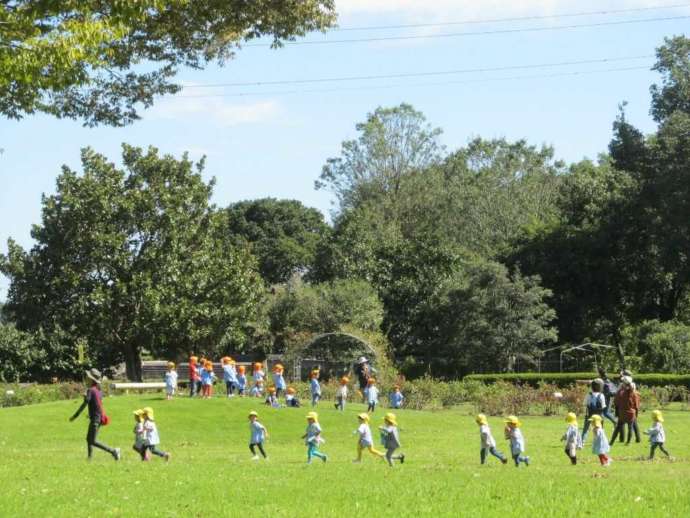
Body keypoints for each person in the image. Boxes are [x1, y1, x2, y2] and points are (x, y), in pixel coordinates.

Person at [69, 368, 121, 461]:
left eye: (87, 377)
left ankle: (113, 451)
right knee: (89, 439)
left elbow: (84, 405)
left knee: (92, 440)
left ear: (91, 379)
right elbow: (96, 404)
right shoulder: (98, 390)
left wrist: (75, 416)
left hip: (96, 419)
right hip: (97, 417)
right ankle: (89, 458)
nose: (86, 378)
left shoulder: (91, 390)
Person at [610, 376, 640, 445]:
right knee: (630, 428)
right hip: (631, 413)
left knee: (617, 428)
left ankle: (611, 442)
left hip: (622, 412)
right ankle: (628, 442)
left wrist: (617, 411)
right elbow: (636, 405)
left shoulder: (621, 392)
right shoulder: (634, 393)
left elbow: (616, 402)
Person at [581, 378, 606, 443]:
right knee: (600, 428)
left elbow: (584, 404)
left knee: (585, 429)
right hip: (599, 415)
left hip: (589, 414)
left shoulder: (589, 395)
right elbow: (603, 406)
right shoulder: (601, 395)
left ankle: (582, 442)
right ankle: (600, 441)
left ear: (592, 387)